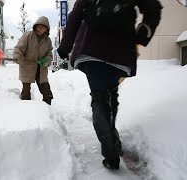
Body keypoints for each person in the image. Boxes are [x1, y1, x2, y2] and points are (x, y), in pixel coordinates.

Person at [57, 0, 162, 169]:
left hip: (91, 49)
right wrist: (143, 34)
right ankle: (113, 141)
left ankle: (110, 151)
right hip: (121, 51)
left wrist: (65, 46)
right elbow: (153, 8)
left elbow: (75, 15)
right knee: (111, 94)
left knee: (99, 98)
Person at [13, 16, 54, 105]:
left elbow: (49, 53)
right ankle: (27, 110)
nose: (40, 29)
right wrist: (17, 56)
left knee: (46, 91)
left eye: (43, 27)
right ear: (35, 26)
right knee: (26, 91)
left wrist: (47, 60)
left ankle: (47, 108)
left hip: (41, 68)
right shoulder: (28, 35)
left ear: (46, 29)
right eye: (39, 26)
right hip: (28, 66)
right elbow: (19, 48)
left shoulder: (48, 40)